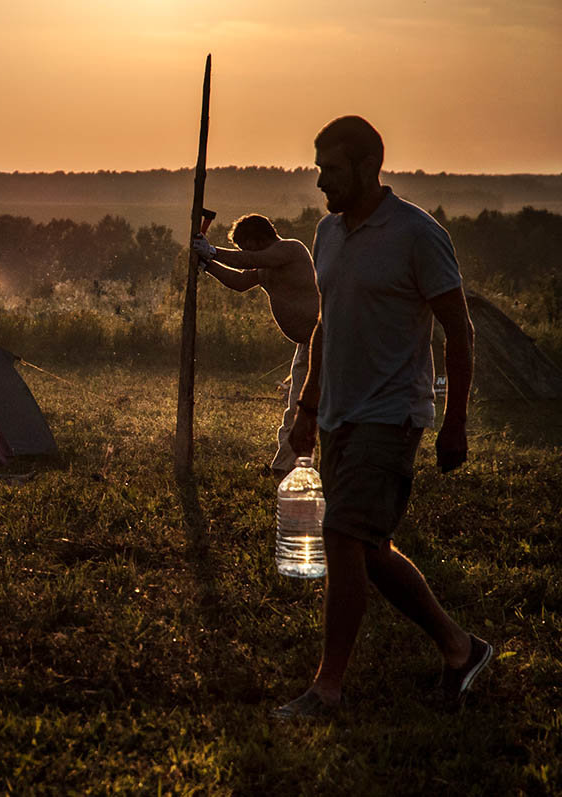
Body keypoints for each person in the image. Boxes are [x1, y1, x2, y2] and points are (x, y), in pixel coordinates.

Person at [275, 115, 491, 719]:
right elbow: (326, 326)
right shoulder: (328, 233)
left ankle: (328, 689)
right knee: (368, 547)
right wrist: (308, 409)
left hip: (392, 414)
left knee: (342, 535)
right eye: (319, 169)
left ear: (369, 168)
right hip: (339, 415)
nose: (321, 182)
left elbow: (459, 328)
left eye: (332, 170)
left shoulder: (418, 234)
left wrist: (455, 420)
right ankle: (459, 647)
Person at [192, 215, 319, 476]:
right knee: (295, 409)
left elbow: (247, 261)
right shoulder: (264, 265)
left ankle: (291, 469)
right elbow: (239, 282)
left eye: (245, 246)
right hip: (306, 347)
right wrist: (207, 264)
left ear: (260, 238)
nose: (243, 252)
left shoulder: (289, 249)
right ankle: (285, 469)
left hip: (326, 342)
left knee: (311, 409)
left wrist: (212, 251)